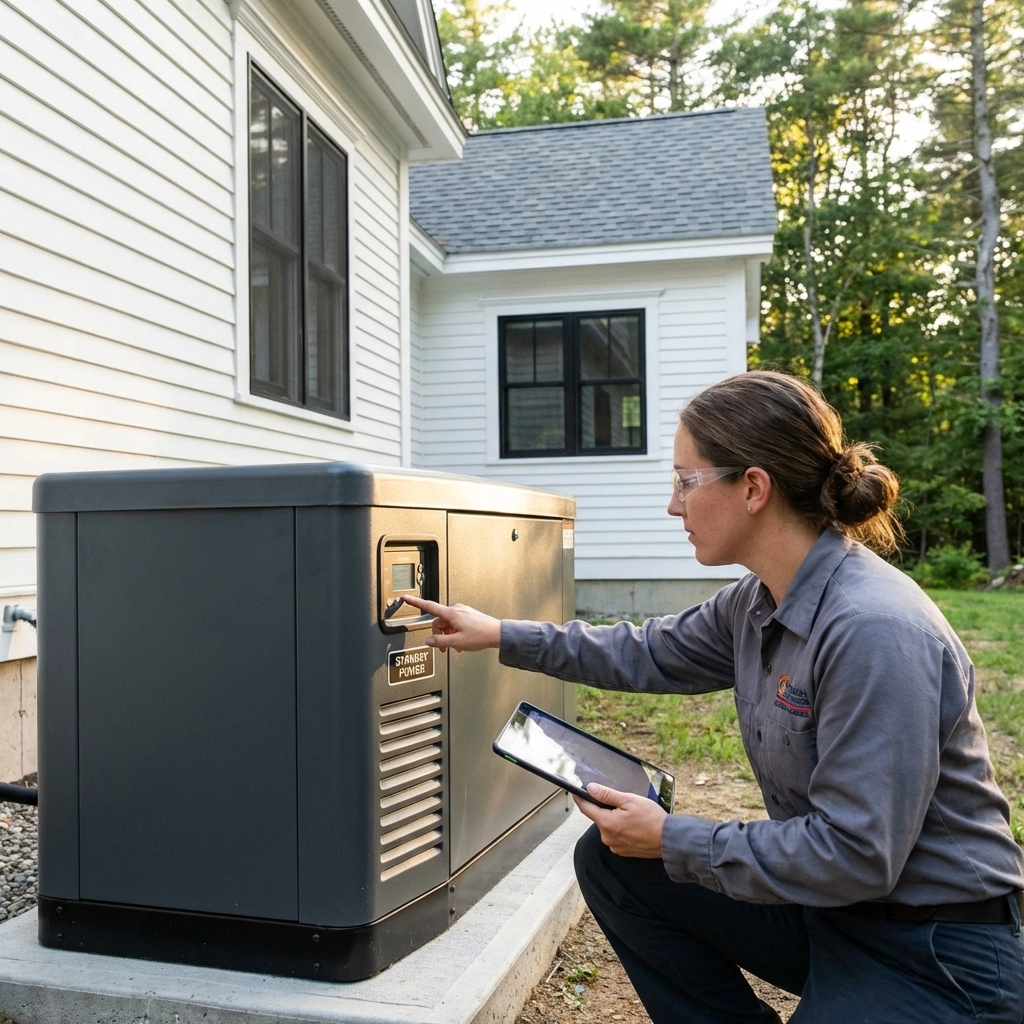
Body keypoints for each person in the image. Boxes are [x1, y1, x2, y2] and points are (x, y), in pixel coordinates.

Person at [405, 370, 1024, 1023]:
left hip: (936, 950)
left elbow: (856, 855)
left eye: (684, 480)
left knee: (655, 853)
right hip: (833, 914)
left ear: (753, 487)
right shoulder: (757, 603)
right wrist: (498, 633)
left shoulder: (875, 630)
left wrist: (674, 837)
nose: (673, 505)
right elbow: (645, 650)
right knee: (617, 865)